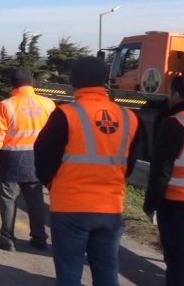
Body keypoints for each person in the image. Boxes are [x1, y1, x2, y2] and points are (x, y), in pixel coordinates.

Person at [34, 56, 144, 286]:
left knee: (69, 273)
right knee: (107, 272)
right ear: (104, 80)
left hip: (70, 206)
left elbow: (43, 155)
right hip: (110, 207)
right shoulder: (129, 117)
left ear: (73, 81)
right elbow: (129, 163)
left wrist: (52, 183)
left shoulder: (66, 114)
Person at [0, 67, 55, 252]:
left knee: (8, 199)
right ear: (32, 82)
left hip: (11, 160)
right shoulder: (48, 104)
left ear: (12, 84)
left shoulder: (5, 105)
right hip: (37, 160)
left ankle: (7, 239)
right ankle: (39, 238)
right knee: (36, 200)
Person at [143, 73, 184, 286]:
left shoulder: (176, 122)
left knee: (178, 262)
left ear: (176, 94)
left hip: (177, 203)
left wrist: (151, 203)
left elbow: (161, 169)